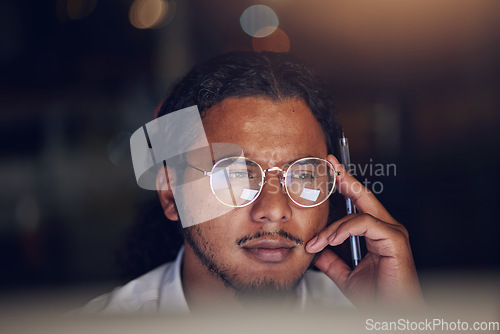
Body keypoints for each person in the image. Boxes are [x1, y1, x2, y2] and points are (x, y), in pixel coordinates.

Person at [85, 51, 423, 314]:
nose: (274, 210)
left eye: (303, 174)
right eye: (233, 174)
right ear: (171, 195)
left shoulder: (368, 316)